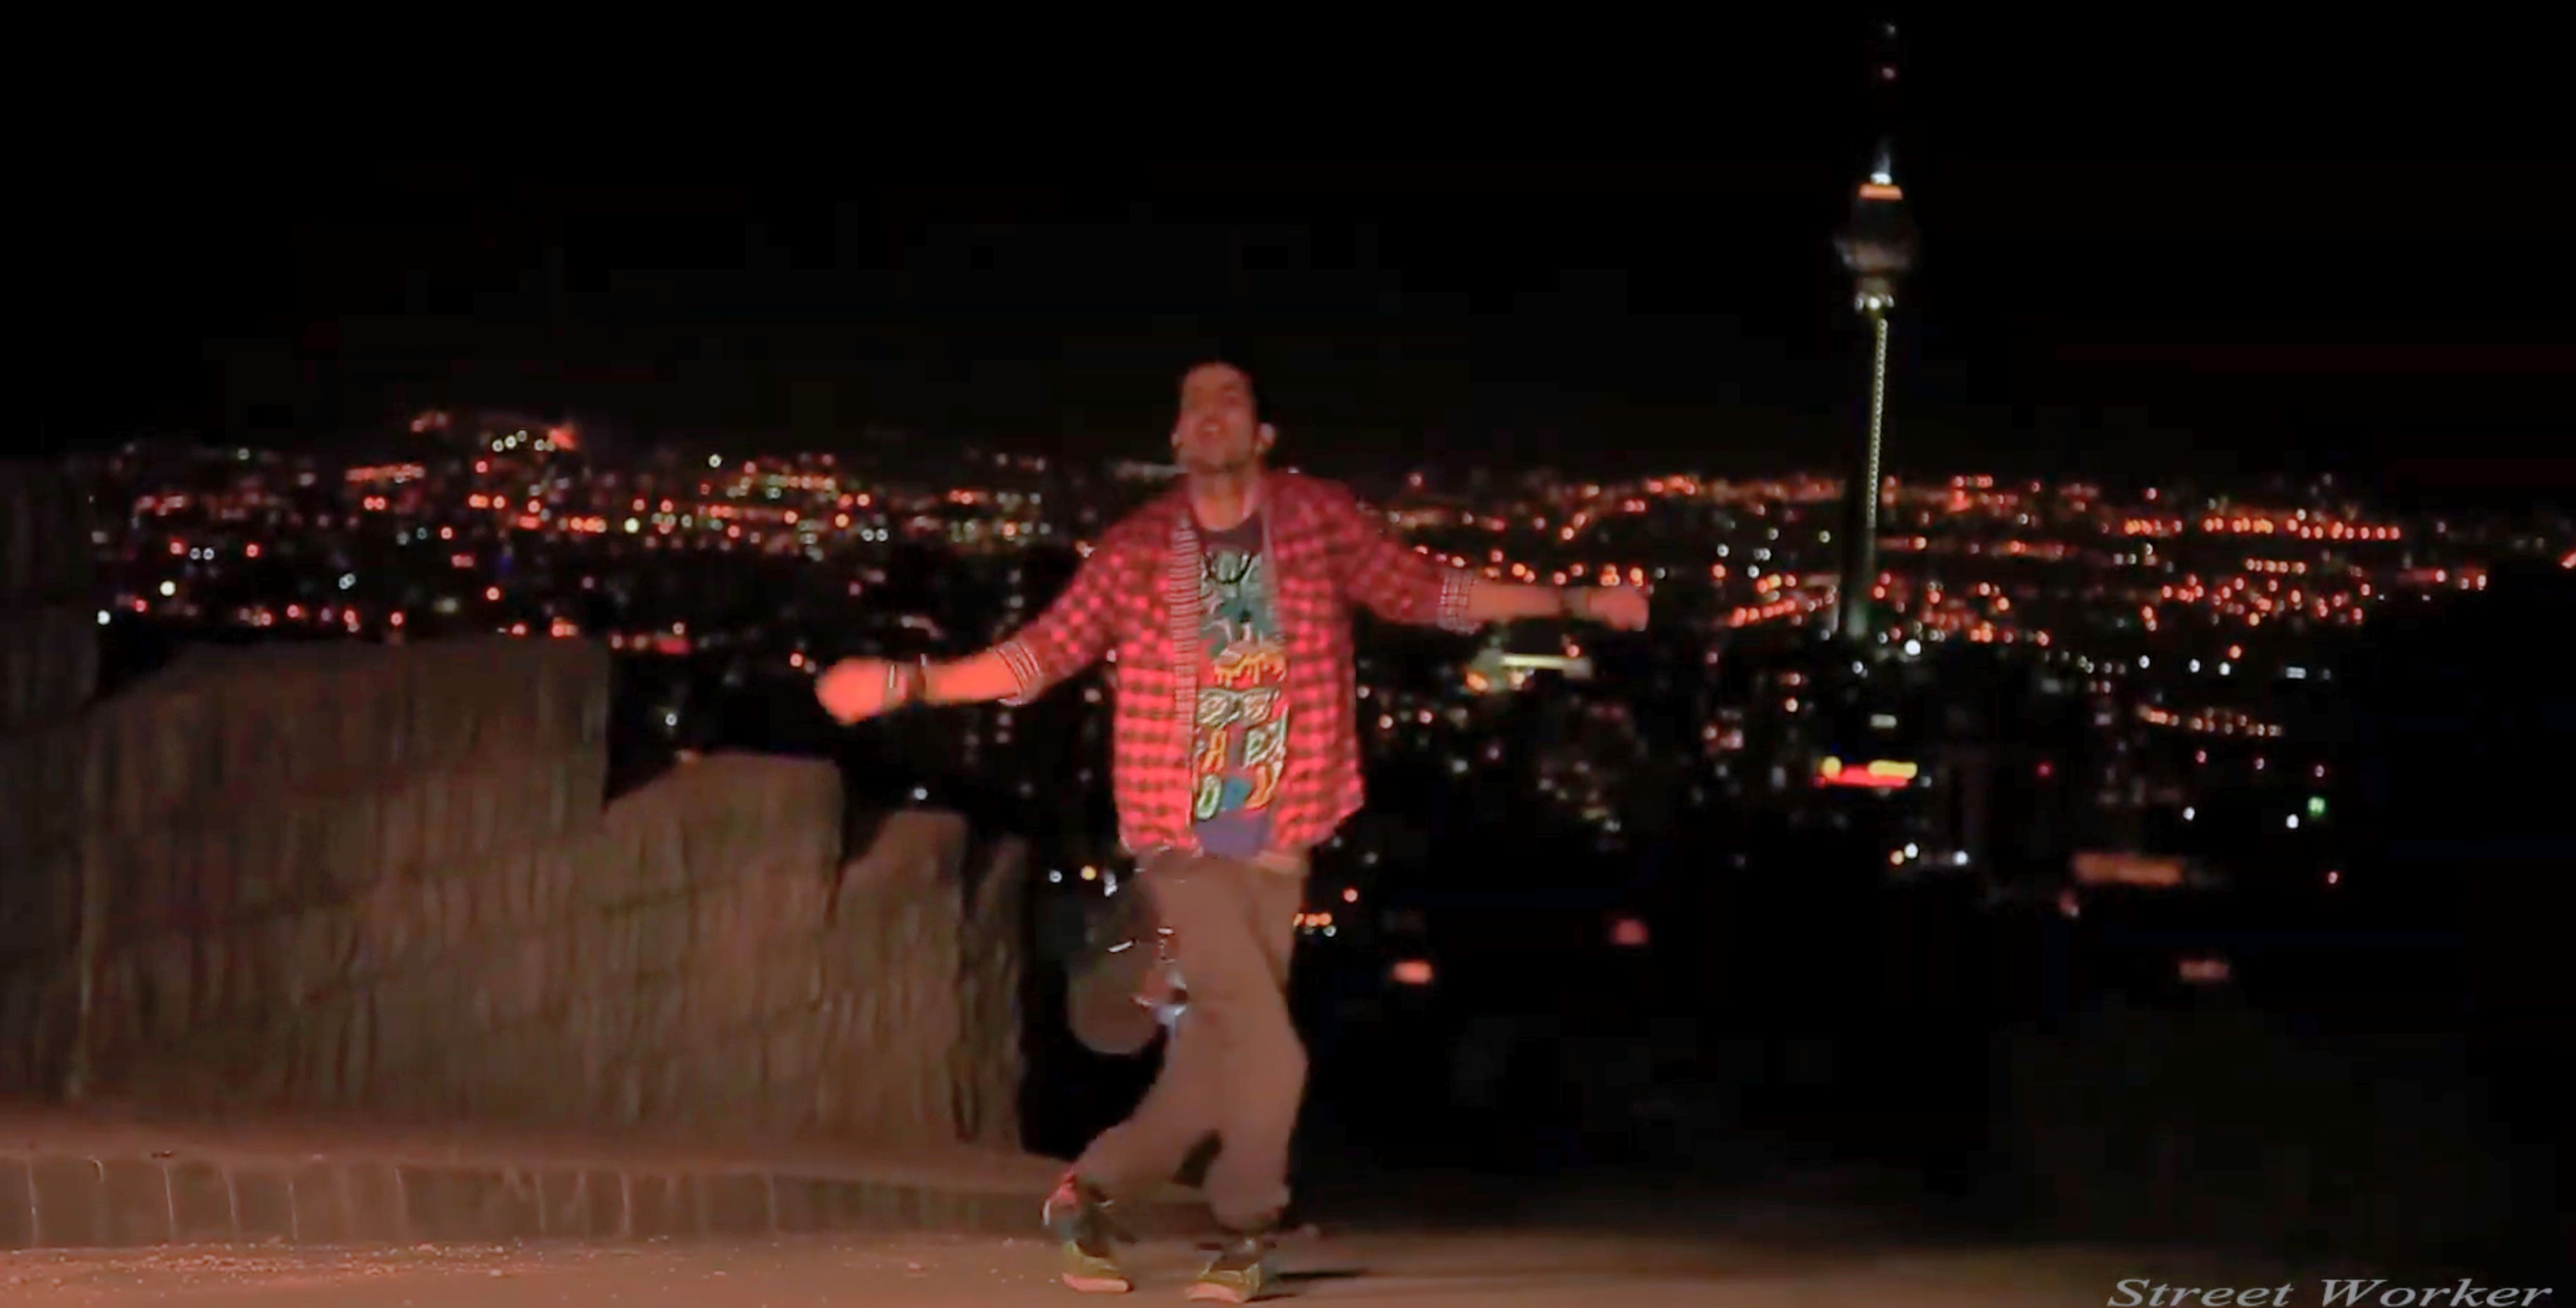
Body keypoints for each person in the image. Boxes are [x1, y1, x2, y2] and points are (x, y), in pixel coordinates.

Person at [817, 362, 1649, 1300]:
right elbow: (1042, 653)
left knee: (1215, 1069)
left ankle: (1087, 1193)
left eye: (1233, 401)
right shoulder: (1138, 548)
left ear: (1263, 436)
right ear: (1176, 440)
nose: (1212, 415)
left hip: (1281, 840)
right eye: (1194, 404)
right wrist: (907, 684)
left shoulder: (1317, 521)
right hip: (1179, 839)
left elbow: (1428, 592)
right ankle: (1250, 1227)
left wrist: (1575, 604)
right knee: (1272, 1052)